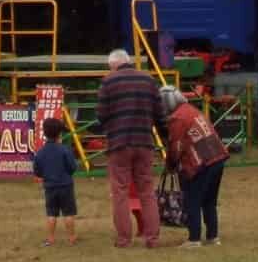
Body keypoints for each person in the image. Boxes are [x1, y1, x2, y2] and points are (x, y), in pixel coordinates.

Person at [94, 48, 162, 248]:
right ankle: (152, 238)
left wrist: (111, 126)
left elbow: (101, 115)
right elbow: (159, 114)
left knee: (120, 192)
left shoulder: (108, 82)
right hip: (144, 142)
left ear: (114, 65)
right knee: (147, 192)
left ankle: (124, 239)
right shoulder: (149, 80)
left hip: (119, 144)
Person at [161, 86, 230, 248]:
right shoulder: (191, 110)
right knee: (209, 201)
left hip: (201, 162)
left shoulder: (177, 118)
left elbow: (176, 146)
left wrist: (170, 165)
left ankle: (194, 239)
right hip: (217, 156)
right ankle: (213, 237)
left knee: (192, 200)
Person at [32, 117, 79, 247]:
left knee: (51, 213)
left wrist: (45, 175)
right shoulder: (65, 150)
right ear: (59, 134)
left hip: (50, 187)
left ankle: (51, 238)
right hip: (66, 186)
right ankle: (71, 237)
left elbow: (37, 171)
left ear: (45, 133)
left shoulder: (40, 153)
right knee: (69, 213)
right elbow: (73, 167)